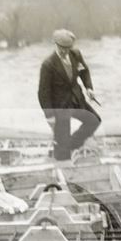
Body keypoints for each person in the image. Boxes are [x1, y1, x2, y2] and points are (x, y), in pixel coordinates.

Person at [37, 29, 100, 161]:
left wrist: (89, 87)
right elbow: (43, 93)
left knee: (94, 120)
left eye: (67, 48)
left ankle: (71, 146)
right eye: (62, 48)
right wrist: (49, 116)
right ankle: (62, 157)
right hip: (60, 107)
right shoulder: (48, 64)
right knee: (61, 147)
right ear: (55, 45)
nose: (65, 51)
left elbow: (84, 71)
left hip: (77, 100)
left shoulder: (75, 54)